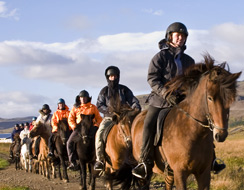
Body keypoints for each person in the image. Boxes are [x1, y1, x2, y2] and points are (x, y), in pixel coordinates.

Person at [132, 22, 226, 179]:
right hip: (160, 101)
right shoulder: (160, 57)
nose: (180, 38)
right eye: (177, 35)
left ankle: (212, 159)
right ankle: (145, 162)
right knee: (148, 125)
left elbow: (194, 82)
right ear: (169, 37)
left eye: (183, 36)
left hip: (183, 102)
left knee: (204, 123)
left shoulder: (189, 60)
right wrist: (166, 93)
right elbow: (152, 78)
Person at [93, 66, 141, 171]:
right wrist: (110, 111)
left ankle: (140, 160)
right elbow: (99, 105)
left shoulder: (124, 89)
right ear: (107, 77)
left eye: (114, 76)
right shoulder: (104, 91)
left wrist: (136, 106)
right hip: (109, 118)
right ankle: (100, 159)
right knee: (100, 134)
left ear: (118, 76)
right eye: (110, 76)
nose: (113, 78)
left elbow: (133, 100)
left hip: (124, 117)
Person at [67, 90, 103, 170]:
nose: (83, 99)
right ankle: (73, 161)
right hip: (79, 129)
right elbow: (70, 119)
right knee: (69, 142)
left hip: (91, 129)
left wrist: (96, 126)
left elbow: (99, 118)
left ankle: (100, 160)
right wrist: (74, 126)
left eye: (85, 97)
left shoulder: (93, 107)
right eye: (81, 98)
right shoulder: (76, 108)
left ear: (88, 98)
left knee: (100, 141)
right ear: (79, 98)